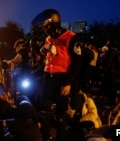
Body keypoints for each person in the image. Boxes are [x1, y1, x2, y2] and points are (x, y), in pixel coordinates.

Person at [31, 9, 83, 141]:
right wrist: (37, 72)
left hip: (62, 78)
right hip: (48, 78)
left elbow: (77, 63)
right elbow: (48, 60)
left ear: (54, 23)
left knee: (61, 113)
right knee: (44, 112)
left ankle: (61, 138)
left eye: (46, 26)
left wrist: (68, 82)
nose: (44, 30)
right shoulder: (48, 39)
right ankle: (45, 137)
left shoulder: (71, 37)